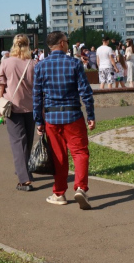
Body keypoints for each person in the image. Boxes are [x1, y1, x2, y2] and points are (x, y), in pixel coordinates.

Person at [33, 31, 96, 209]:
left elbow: (36, 97)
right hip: (73, 115)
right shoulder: (74, 63)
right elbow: (85, 92)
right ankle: (81, 188)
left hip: (52, 118)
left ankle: (59, 193)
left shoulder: (40, 66)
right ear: (61, 43)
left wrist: (39, 121)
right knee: (80, 152)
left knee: (58, 156)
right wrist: (90, 115)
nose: (68, 44)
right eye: (67, 41)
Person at [0, 34, 37, 191]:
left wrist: (0, 108)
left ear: (13, 45)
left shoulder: (6, 62)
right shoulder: (33, 63)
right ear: (28, 45)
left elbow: (0, 87)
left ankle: (24, 179)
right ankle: (24, 170)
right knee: (27, 141)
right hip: (31, 106)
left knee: (18, 142)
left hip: (12, 107)